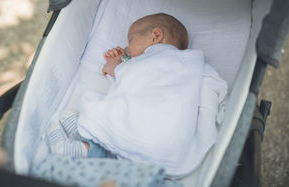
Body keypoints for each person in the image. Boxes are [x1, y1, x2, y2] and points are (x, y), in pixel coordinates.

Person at [46, 13, 192, 159]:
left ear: (155, 36)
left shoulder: (160, 62)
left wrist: (114, 64)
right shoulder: (184, 67)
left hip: (145, 124)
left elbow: (122, 72)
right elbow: (135, 76)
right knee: (120, 144)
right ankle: (84, 135)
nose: (127, 47)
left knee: (116, 134)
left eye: (131, 40)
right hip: (151, 133)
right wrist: (122, 59)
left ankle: (81, 145)